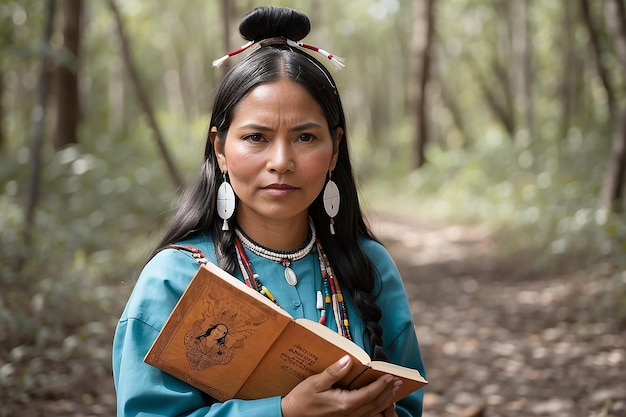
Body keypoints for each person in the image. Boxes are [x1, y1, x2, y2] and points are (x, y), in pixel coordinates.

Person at [112, 5, 426, 417]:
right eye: (256, 137)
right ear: (221, 149)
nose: (281, 160)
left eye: (305, 137)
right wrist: (284, 411)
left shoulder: (370, 265)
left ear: (334, 148)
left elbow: (408, 404)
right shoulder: (173, 281)